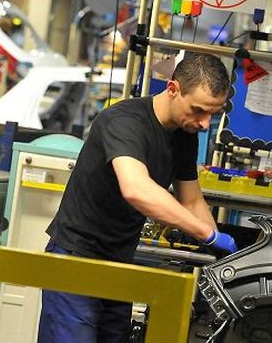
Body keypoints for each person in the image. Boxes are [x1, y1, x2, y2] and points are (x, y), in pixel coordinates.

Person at [38, 52, 238, 343]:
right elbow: (137, 189)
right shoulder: (124, 122)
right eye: (198, 110)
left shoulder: (184, 135)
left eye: (213, 114)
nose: (205, 123)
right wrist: (207, 235)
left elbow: (192, 200)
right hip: (75, 259)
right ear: (172, 89)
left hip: (118, 262)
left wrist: (222, 260)